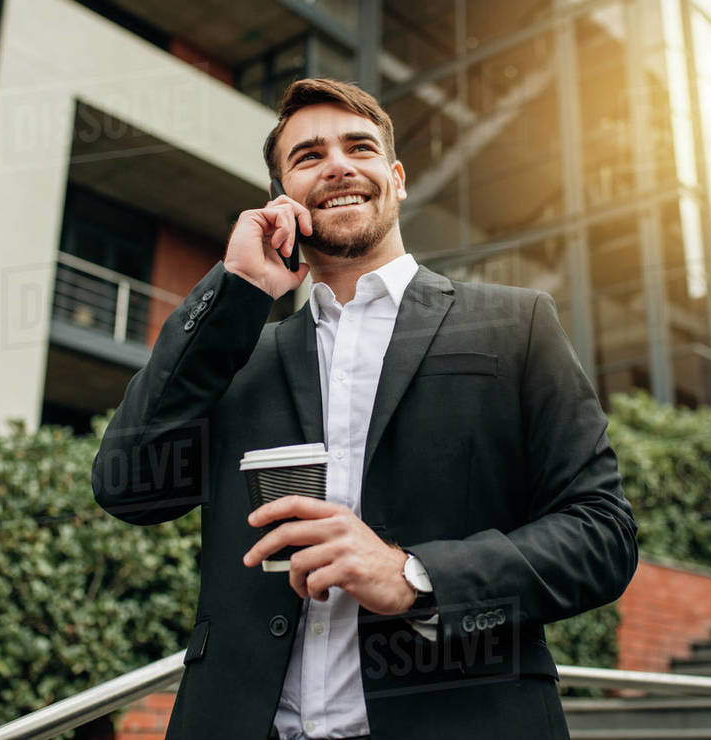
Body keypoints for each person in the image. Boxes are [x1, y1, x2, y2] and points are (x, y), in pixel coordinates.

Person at [92, 77, 638, 740]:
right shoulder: (236, 355)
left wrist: (415, 575)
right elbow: (130, 486)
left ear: (397, 177)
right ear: (281, 198)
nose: (340, 166)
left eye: (360, 147)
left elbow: (602, 535)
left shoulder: (514, 326)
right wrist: (235, 290)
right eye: (308, 156)